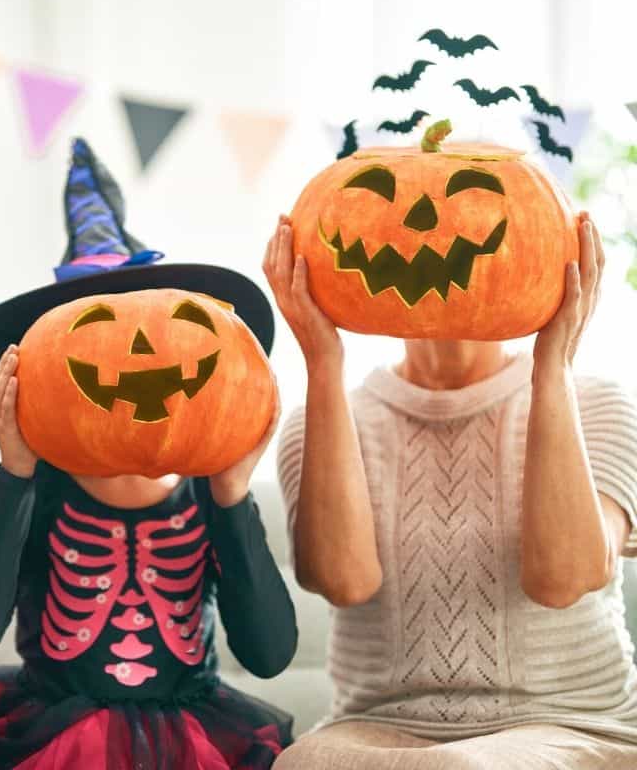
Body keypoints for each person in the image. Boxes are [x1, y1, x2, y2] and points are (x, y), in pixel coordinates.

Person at [0, 138, 296, 770]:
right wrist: (15, 470)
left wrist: (232, 495)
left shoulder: (211, 492)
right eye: (97, 339)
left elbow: (267, 653)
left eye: (164, 335)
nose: (135, 362)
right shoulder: (39, 490)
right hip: (47, 723)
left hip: (194, 726)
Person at [266, 213, 637, 768]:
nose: (425, 229)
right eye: (404, 222)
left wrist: (552, 366)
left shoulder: (597, 404)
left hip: (573, 723)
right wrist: (322, 362)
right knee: (302, 763)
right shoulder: (317, 421)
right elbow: (344, 580)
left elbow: (563, 577)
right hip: (375, 727)